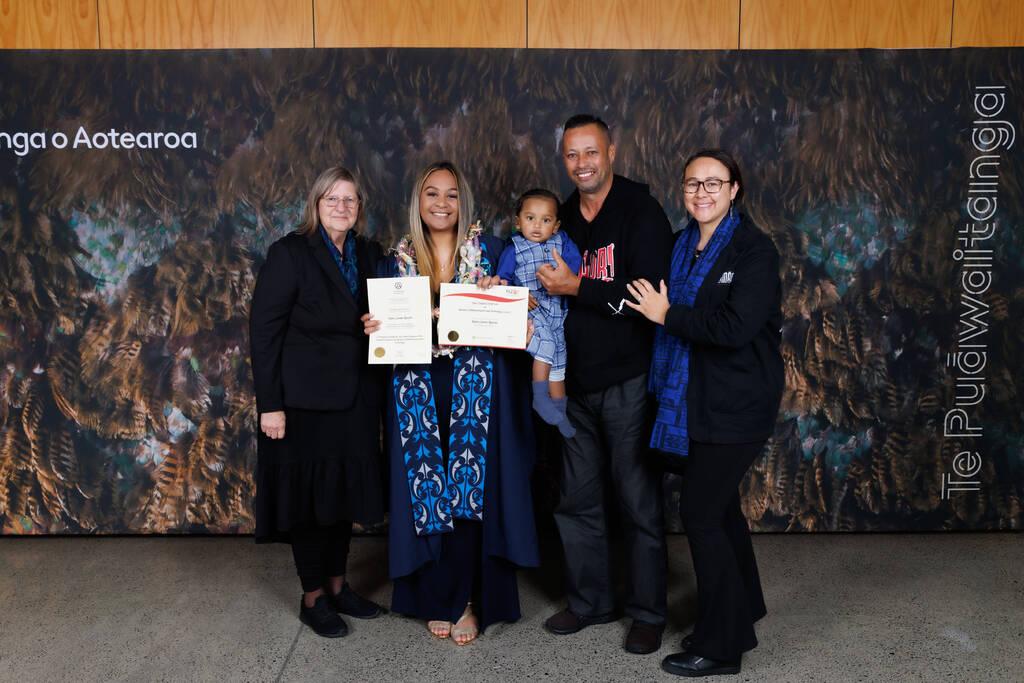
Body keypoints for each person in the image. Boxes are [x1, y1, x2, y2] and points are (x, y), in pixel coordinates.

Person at [362, 161, 539, 645]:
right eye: (431, 193)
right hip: (416, 384)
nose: (441, 203)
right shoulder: (394, 262)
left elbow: (528, 309)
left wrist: (513, 307)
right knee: (424, 491)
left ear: (464, 202)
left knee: (468, 490)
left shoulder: (493, 253)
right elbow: (382, 329)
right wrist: (373, 326)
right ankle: (432, 594)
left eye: (451, 194)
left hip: (477, 386)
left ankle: (463, 600)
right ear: (417, 202)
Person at [625, 149, 783, 677]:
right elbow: (637, 296)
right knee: (721, 510)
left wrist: (668, 314)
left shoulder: (754, 250)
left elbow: (734, 329)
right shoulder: (678, 245)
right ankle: (743, 609)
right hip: (694, 400)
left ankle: (721, 646)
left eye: (714, 183)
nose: (702, 192)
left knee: (700, 513)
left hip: (738, 403)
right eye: (693, 183)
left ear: (734, 189)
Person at [537, 114, 674, 655]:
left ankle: (647, 613)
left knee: (637, 500)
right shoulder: (562, 216)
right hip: (572, 382)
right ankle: (589, 601)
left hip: (627, 380)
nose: (582, 164)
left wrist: (577, 286)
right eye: (572, 154)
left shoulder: (641, 212)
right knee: (576, 499)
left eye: (591, 152)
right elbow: (535, 280)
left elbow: (646, 297)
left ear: (612, 152)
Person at [249, 166, 387, 638]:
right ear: (316, 204)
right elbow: (264, 333)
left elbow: (391, 307)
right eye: (332, 199)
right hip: (302, 403)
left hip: (355, 398)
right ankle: (313, 599)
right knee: (307, 504)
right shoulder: (289, 253)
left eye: (350, 200)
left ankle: (338, 587)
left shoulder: (369, 253)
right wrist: (270, 405)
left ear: (359, 207)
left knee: (341, 497)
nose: (341, 207)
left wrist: (379, 322)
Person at [495, 188, 582, 438]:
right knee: (545, 346)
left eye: (546, 220)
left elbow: (574, 267)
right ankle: (540, 398)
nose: (537, 225)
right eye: (530, 218)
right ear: (518, 221)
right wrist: (519, 297)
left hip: (556, 311)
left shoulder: (563, 242)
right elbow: (503, 281)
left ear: (556, 226)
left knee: (559, 362)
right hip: (531, 311)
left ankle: (560, 415)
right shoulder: (514, 248)